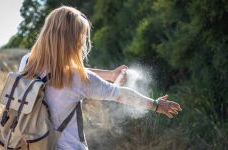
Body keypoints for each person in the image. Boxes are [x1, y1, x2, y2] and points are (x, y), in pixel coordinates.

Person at [19, 6, 182, 150]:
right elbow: (121, 95)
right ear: (73, 40)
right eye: (82, 35)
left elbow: (66, 70)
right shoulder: (77, 78)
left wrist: (110, 75)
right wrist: (155, 105)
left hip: (30, 145)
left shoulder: (27, 61)